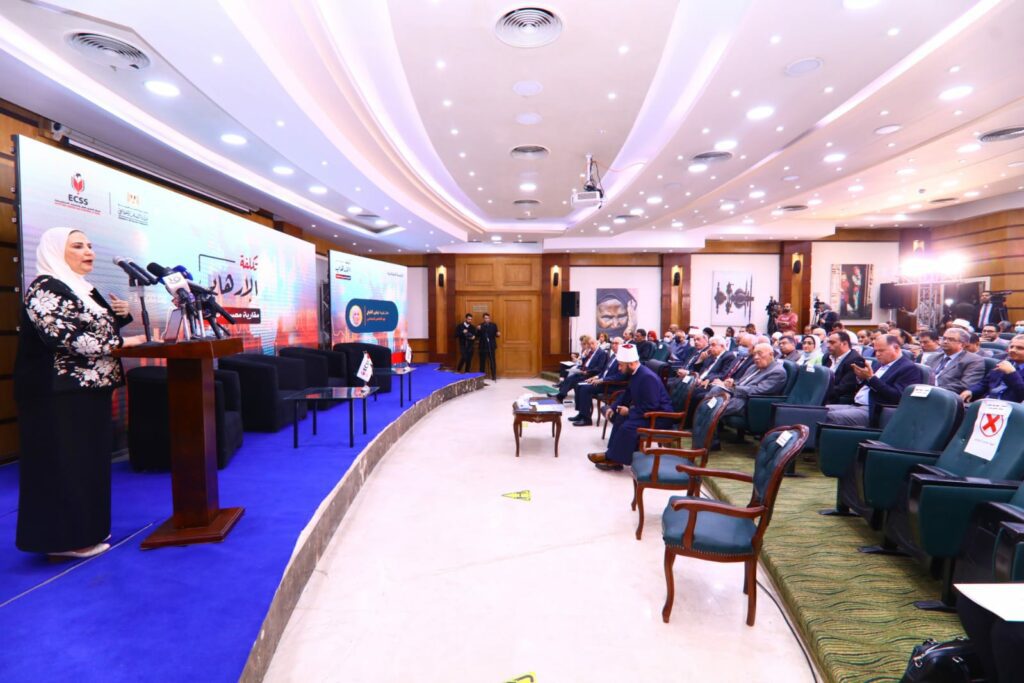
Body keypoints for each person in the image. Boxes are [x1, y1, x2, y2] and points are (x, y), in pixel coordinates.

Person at [14, 228, 146, 559]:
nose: (88, 251)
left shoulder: (83, 288)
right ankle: (63, 540)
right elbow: (64, 337)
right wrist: (123, 342)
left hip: (89, 389)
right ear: (56, 250)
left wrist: (121, 317)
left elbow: (97, 329)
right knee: (64, 463)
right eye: (77, 246)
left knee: (88, 463)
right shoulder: (45, 288)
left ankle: (88, 530)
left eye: (89, 245)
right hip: (56, 392)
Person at [587, 343, 674, 472]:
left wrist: (629, 411)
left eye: (621, 365)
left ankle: (613, 458)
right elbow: (627, 394)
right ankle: (612, 456)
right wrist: (613, 407)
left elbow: (652, 406)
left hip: (660, 417)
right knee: (618, 417)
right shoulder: (635, 373)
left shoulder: (647, 377)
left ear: (632, 364)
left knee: (628, 426)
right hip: (647, 412)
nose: (619, 368)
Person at [823, 334, 918, 426]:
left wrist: (871, 378)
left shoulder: (908, 368)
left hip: (874, 410)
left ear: (896, 348)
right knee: (818, 411)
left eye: (881, 351)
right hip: (856, 405)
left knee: (826, 416)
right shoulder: (879, 365)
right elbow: (870, 386)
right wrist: (861, 378)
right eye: (875, 351)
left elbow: (897, 397)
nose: (877, 354)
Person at [707, 343, 788, 419]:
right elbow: (742, 381)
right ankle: (705, 412)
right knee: (716, 389)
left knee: (715, 409)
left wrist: (734, 387)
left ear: (771, 354)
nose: (756, 357)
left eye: (759, 353)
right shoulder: (753, 367)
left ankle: (706, 421)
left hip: (749, 401)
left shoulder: (777, 372)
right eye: (754, 354)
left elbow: (758, 390)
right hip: (737, 394)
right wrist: (732, 382)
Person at [569, 337, 624, 426]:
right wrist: (595, 377)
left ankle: (586, 419)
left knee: (585, 389)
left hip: (611, 385)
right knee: (578, 385)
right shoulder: (613, 355)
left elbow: (620, 376)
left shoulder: (623, 359)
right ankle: (581, 414)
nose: (613, 345)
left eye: (616, 343)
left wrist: (602, 380)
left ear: (622, 345)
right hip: (603, 382)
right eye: (613, 343)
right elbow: (604, 371)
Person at [960, 334, 1024, 403]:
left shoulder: (1007, 366)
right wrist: (971, 391)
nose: (1012, 350)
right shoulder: (1004, 362)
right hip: (987, 402)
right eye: (1011, 347)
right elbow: (984, 384)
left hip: (1011, 406)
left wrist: (1012, 373)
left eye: (1020, 348)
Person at [926, 327, 985, 394]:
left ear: (963, 344)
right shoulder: (932, 357)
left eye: (951, 340)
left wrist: (933, 390)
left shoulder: (974, 360)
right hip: (924, 391)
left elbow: (965, 385)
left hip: (946, 395)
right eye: (944, 338)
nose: (945, 342)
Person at [555, 337, 606, 402]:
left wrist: (587, 371)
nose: (591, 346)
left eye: (592, 343)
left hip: (591, 374)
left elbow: (599, 368)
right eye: (589, 344)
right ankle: (561, 395)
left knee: (573, 380)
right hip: (583, 371)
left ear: (597, 343)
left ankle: (560, 396)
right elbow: (585, 363)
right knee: (569, 378)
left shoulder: (602, 353)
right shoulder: (590, 352)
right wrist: (585, 357)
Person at [823, 330, 865, 404]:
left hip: (839, 400)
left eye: (832, 343)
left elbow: (845, 387)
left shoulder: (855, 360)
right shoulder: (827, 357)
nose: (828, 346)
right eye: (828, 342)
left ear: (844, 343)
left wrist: (820, 392)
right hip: (825, 395)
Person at [477, 312, 499, 381]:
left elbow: (496, 334)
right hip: (483, 346)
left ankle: (494, 376)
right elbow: (477, 336)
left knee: (492, 361)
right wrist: (478, 330)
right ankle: (481, 377)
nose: (487, 319)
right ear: (483, 319)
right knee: (482, 362)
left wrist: (498, 334)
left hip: (491, 346)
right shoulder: (480, 325)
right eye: (485, 318)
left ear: (489, 318)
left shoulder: (494, 325)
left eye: (488, 318)